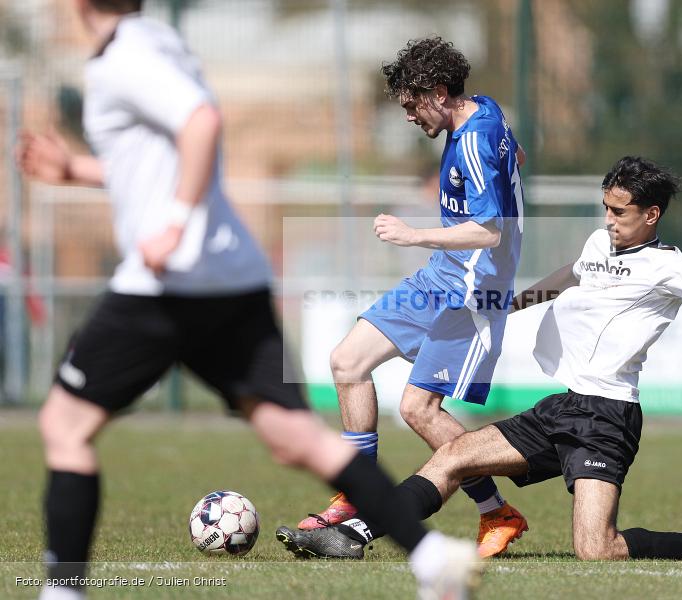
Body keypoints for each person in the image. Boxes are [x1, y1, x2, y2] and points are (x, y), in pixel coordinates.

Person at [18, 2, 481, 599]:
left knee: (64, 424)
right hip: (232, 277)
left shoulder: (122, 59)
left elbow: (201, 123)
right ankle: (432, 557)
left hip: (168, 284)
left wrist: (176, 222)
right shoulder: (157, 43)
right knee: (297, 438)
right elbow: (156, 161)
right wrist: (77, 169)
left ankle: (61, 591)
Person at [277, 156, 682, 562]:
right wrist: (508, 306)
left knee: (598, 551)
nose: (610, 219)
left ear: (653, 214)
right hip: (560, 409)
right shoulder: (598, 244)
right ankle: (353, 537)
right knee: (450, 458)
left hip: (608, 421)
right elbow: (567, 277)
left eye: (621, 211)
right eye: (606, 208)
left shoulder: (669, 266)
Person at [291, 37, 528, 558]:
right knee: (347, 360)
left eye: (410, 103)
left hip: (470, 292)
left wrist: (412, 234)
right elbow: (515, 157)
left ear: (439, 93)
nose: (406, 115)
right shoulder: (486, 110)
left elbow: (488, 230)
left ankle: (497, 511)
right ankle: (356, 493)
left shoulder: (472, 139)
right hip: (439, 277)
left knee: (418, 409)